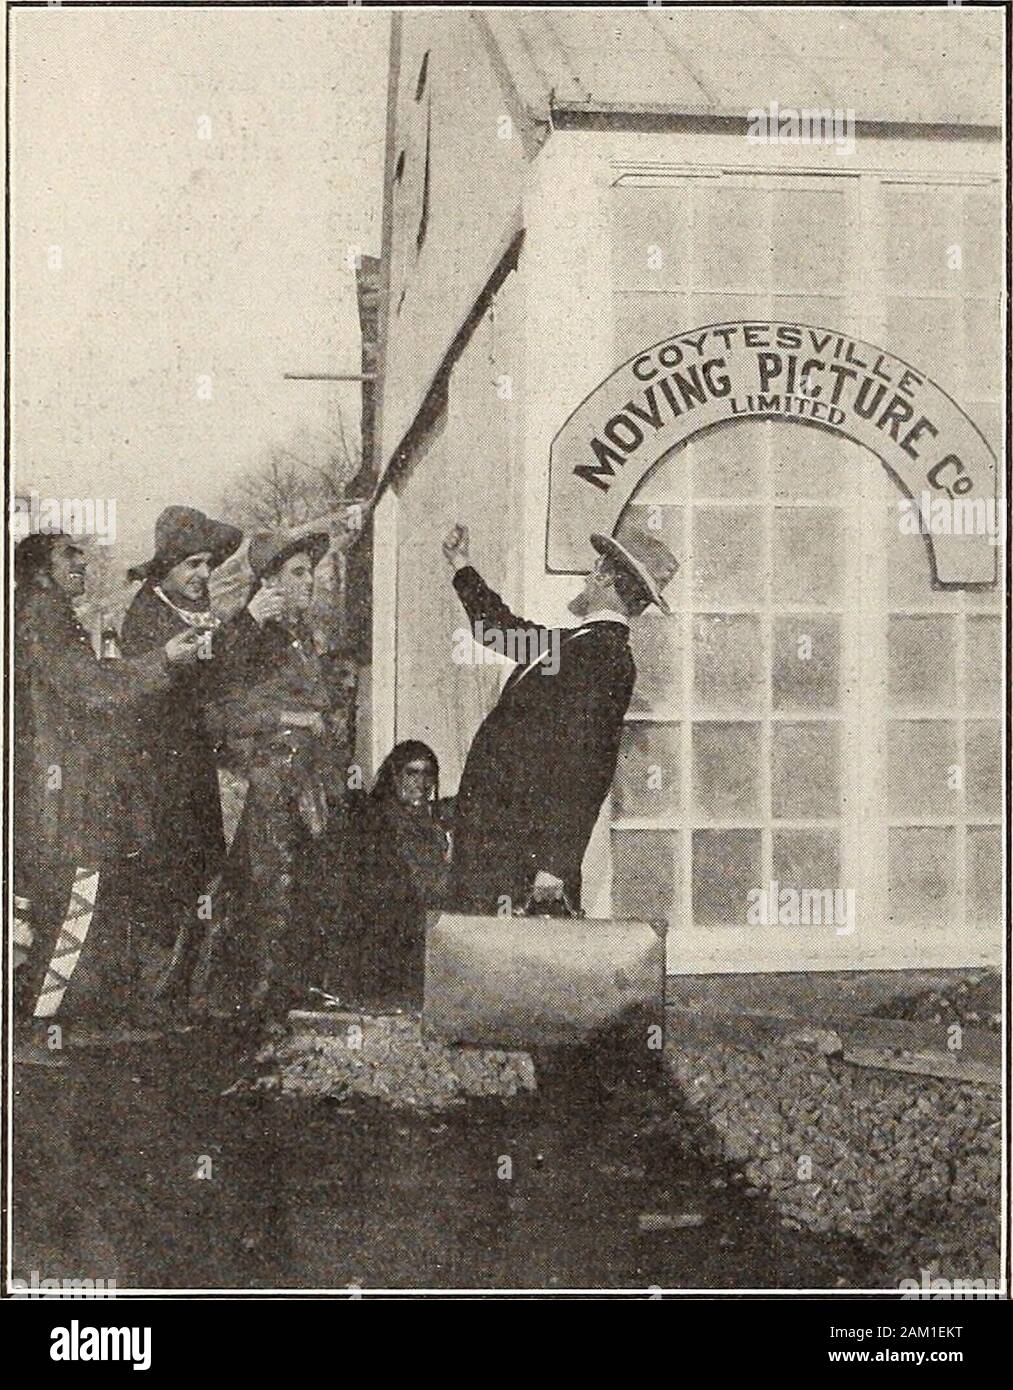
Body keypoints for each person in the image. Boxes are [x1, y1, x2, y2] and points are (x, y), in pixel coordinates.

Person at [13, 531, 203, 1047]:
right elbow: (92, 688)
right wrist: (161, 659)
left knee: (55, 903)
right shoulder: (44, 616)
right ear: (38, 570)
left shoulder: (40, 614)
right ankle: (36, 1029)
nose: (81, 563)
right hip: (64, 794)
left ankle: (43, 1024)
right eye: (67, 555)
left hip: (53, 789)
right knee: (77, 897)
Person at [442, 523, 678, 915]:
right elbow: (496, 630)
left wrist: (555, 864)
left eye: (595, 567)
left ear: (604, 576)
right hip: (504, 840)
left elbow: (590, 763)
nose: (589, 575)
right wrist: (460, 564)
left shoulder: (605, 655)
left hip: (525, 855)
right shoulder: (575, 644)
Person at [106, 506, 284, 1019]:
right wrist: (247, 620)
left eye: (209, 564)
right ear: (165, 568)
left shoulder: (180, 609)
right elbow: (207, 669)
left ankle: (180, 998)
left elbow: (217, 667)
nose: (204, 575)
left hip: (189, 769)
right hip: (155, 776)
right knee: (165, 879)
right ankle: (150, 1003)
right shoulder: (150, 617)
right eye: (193, 565)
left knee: (200, 871)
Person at [207, 528, 340, 1024]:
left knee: (302, 886)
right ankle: (252, 1007)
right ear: (269, 583)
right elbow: (221, 710)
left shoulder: (295, 634)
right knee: (268, 891)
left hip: (303, 780)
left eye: (310, 571)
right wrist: (289, 718)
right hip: (264, 783)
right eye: (299, 573)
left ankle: (287, 994)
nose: (310, 581)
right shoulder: (249, 634)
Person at [330, 741, 452, 1010]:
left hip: (423, 912)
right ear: (396, 775)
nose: (421, 782)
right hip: (390, 924)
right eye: (412, 772)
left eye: (427, 773)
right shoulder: (378, 818)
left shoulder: (426, 817)